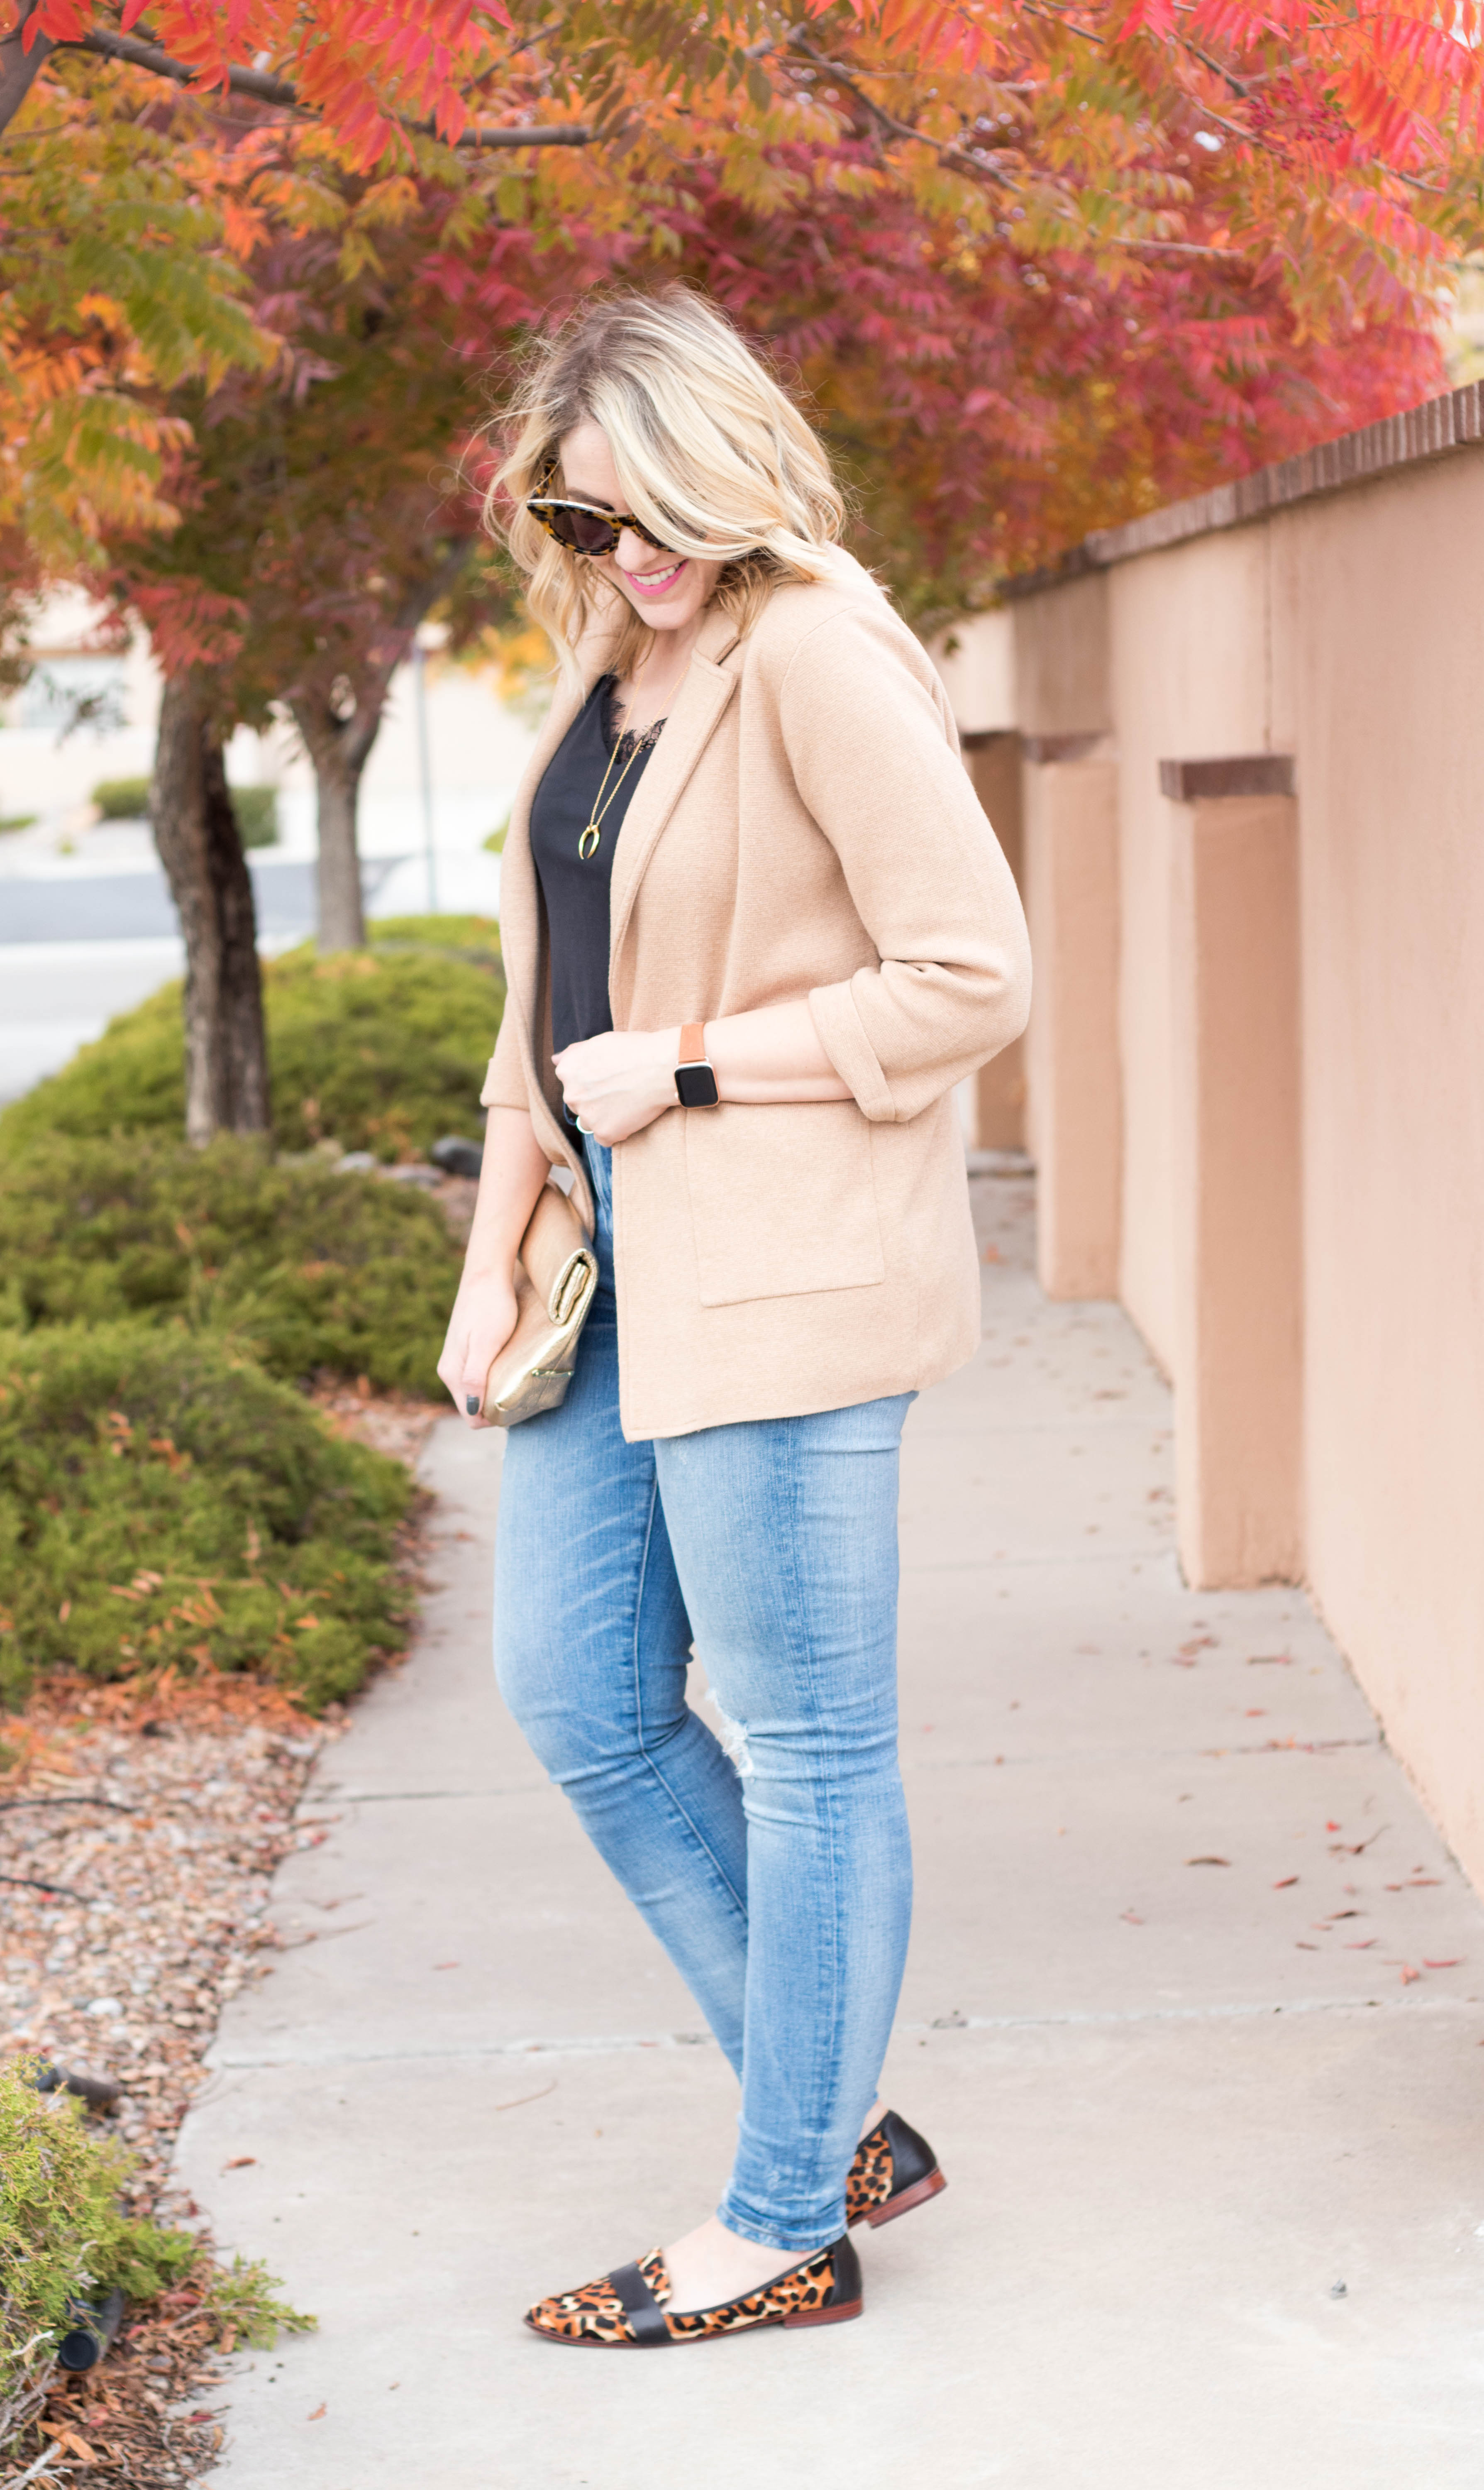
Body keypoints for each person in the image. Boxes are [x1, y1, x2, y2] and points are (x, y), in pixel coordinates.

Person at [437, 285, 1030, 2348]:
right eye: (588, 523)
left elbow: (973, 975)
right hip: (606, 1277)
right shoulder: (615, 662)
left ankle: (786, 2207)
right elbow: (546, 1002)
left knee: (807, 1748)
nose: (633, 556)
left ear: (734, 465)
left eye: (657, 513)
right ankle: (837, 2104)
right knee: (578, 1701)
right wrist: (492, 1240)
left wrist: (695, 1063)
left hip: (775, 1275)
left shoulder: (819, 651)